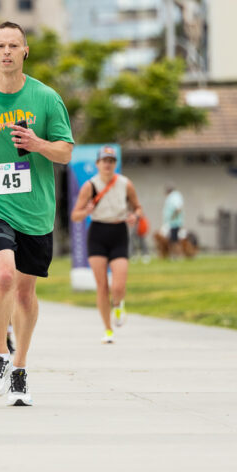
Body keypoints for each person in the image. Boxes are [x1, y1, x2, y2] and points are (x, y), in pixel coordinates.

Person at [0, 21, 74, 406]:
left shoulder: (46, 98)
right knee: (2, 274)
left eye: (13, 45)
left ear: (25, 52)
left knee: (25, 291)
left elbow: (66, 152)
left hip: (35, 208)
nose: (6, 52)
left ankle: (20, 369)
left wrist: (39, 143)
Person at [70, 146, 144, 344]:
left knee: (118, 284)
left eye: (111, 160)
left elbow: (137, 207)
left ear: (115, 163)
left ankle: (118, 304)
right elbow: (75, 215)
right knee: (102, 285)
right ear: (97, 164)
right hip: (97, 234)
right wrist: (86, 210)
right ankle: (108, 329)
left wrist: (134, 216)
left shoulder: (125, 184)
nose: (108, 164)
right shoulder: (89, 186)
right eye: (104, 160)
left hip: (119, 231)